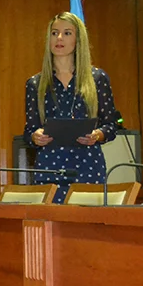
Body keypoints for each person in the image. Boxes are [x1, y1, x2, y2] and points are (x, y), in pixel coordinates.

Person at [24, 12, 117, 203]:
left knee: (86, 229)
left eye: (67, 33)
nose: (59, 38)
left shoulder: (97, 78)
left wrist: (97, 135)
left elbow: (111, 126)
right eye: (54, 33)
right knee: (49, 228)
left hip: (88, 167)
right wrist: (35, 136)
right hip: (49, 167)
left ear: (78, 40)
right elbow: (29, 131)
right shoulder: (35, 83)